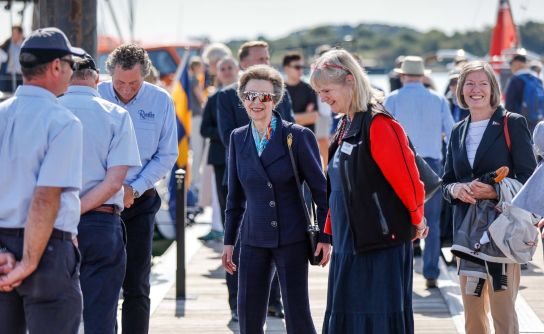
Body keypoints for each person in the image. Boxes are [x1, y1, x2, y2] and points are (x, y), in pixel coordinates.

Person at [310, 49, 427, 334]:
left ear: (350, 80)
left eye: (326, 90)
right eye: (319, 92)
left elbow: (409, 180)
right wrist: (327, 233)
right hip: (349, 240)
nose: (322, 98)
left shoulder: (380, 124)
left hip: (379, 241)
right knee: (349, 314)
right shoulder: (344, 125)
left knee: (375, 315)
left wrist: (417, 219)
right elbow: (336, 187)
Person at [222, 64, 331, 334]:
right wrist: (228, 242)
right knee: (248, 316)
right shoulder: (238, 138)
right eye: (249, 96)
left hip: (292, 237)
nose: (256, 103)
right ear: (242, 98)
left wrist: (327, 238)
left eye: (264, 97)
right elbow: (234, 198)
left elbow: (321, 192)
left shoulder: (298, 136)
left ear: (276, 99)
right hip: (252, 239)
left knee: (297, 315)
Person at [0, 27, 85, 334]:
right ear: (55, 67)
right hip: (45, 251)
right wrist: (28, 262)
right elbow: (46, 196)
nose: (73, 72)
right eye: (70, 64)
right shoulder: (62, 122)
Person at [442, 61, 536, 334]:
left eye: (483, 83)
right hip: (467, 235)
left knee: (502, 311)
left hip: (502, 233)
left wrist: (495, 190)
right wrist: (456, 190)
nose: (476, 90)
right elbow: (446, 181)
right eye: (469, 84)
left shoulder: (512, 123)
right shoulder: (458, 130)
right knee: (472, 313)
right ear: (460, 90)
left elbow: (531, 180)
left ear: (493, 89)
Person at [98, 44, 178, 334]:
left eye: (134, 83)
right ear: (110, 76)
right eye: (120, 83)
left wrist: (136, 187)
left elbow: (167, 154)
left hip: (140, 202)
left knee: (137, 285)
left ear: (145, 76)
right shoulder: (96, 95)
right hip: (99, 205)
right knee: (101, 285)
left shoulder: (161, 100)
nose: (127, 89)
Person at [59, 54, 141, 334]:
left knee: (51, 315)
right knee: (101, 315)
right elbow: (114, 182)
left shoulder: (52, 111)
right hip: (101, 222)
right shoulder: (116, 115)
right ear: (96, 79)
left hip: (51, 222)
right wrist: (78, 209)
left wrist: (67, 211)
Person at [217, 40, 294, 321]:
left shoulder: (278, 92)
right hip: (242, 179)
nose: (266, 60)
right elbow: (228, 137)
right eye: (260, 57)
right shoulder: (225, 97)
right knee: (238, 245)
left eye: (268, 56)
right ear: (244, 63)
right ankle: (238, 304)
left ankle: (273, 302)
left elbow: (291, 134)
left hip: (278, 184)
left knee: (274, 239)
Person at [384, 55, 454, 289]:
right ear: (423, 76)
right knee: (431, 221)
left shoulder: (392, 99)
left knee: (400, 219)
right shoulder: (438, 99)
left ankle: (402, 273)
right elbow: (451, 132)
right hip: (433, 164)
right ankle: (431, 272)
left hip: (402, 163)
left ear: (402, 76)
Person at [199, 56, 239, 242]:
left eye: (230, 67)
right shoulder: (214, 98)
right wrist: (227, 133)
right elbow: (204, 129)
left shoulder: (246, 94)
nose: (227, 71)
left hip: (243, 156)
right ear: (218, 73)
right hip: (220, 157)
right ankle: (228, 242)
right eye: (223, 68)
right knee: (225, 202)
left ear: (237, 69)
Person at [505, 53, 544, 132]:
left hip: (519, 123)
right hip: (536, 121)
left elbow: (509, 104)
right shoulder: (537, 79)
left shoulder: (515, 80)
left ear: (517, 63)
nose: (511, 67)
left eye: (511, 64)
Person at [283, 52, 319, 132]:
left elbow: (314, 117)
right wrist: (305, 116)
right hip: (286, 139)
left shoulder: (309, 88)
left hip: (306, 138)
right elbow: (276, 120)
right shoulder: (279, 90)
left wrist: (287, 118)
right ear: (286, 69)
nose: (301, 70)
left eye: (302, 67)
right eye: (297, 67)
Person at [0, 25, 24, 92]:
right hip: (9, 75)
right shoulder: (8, 43)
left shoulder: (25, 44)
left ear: (20, 34)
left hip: (22, 76)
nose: (13, 35)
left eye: (15, 33)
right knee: (7, 94)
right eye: (12, 33)